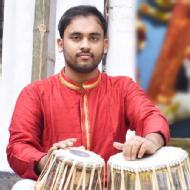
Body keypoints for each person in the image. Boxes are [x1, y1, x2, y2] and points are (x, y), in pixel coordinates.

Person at [7, 5, 170, 189]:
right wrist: (48, 162)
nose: (85, 45)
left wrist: (150, 141)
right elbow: (18, 147)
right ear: (61, 44)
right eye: (76, 37)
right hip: (55, 185)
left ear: (105, 45)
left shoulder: (122, 88)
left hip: (109, 186)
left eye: (93, 38)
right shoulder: (35, 93)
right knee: (23, 187)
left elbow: (151, 116)